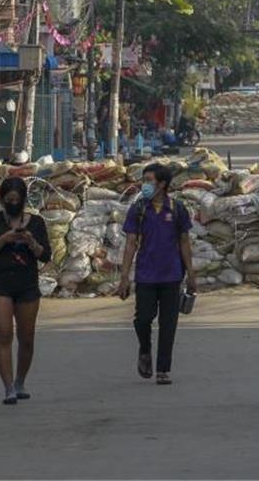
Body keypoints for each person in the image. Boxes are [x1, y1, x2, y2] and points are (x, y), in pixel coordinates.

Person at [117, 163, 197, 386]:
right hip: (145, 275)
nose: (145, 184)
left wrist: (191, 274)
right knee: (142, 319)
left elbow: (184, 242)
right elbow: (131, 243)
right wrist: (124, 276)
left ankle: (163, 369)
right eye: (144, 180)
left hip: (172, 274)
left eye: (149, 180)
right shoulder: (139, 209)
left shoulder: (178, 209)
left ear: (162, 184)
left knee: (168, 323)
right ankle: (145, 349)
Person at [0, 177, 52, 405]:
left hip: (27, 283)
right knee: (4, 334)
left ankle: (20, 380)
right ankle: (8, 387)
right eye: (8, 200)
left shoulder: (36, 223)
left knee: (26, 338)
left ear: (23, 200)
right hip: (0, 282)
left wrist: (31, 242)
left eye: (16, 200)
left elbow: (45, 255)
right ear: (1, 199)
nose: (12, 204)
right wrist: (5, 238)